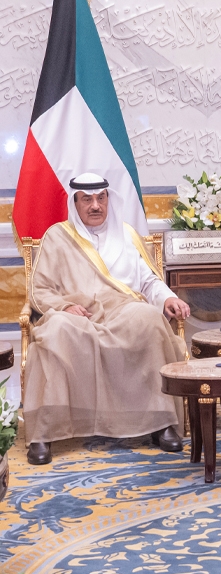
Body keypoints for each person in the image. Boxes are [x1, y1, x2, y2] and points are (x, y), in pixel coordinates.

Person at [24, 174, 191, 465]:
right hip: (77, 314)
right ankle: (45, 432)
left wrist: (167, 298)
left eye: (101, 198)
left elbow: (148, 281)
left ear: (108, 199)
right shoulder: (57, 237)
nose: (95, 205)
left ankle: (160, 422)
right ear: (75, 203)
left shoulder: (126, 235)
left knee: (149, 320)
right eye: (87, 199)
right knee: (56, 331)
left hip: (122, 309)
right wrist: (65, 306)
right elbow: (40, 290)